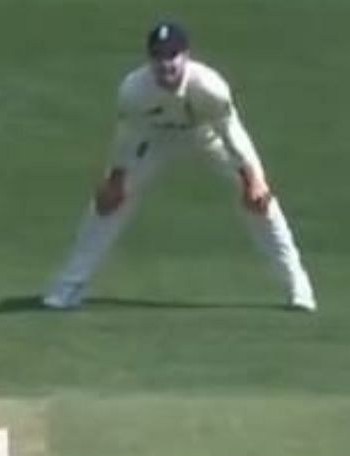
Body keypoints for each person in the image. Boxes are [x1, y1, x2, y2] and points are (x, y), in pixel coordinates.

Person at [42, 21, 316, 312]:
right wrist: (116, 180)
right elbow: (128, 136)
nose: (166, 64)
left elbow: (233, 133)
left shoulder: (210, 87)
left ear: (185, 55)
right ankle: (68, 287)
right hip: (155, 139)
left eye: (172, 55)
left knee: (260, 202)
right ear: (150, 59)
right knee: (107, 205)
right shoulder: (134, 90)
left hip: (205, 136)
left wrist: (254, 179)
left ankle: (298, 288)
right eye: (159, 56)